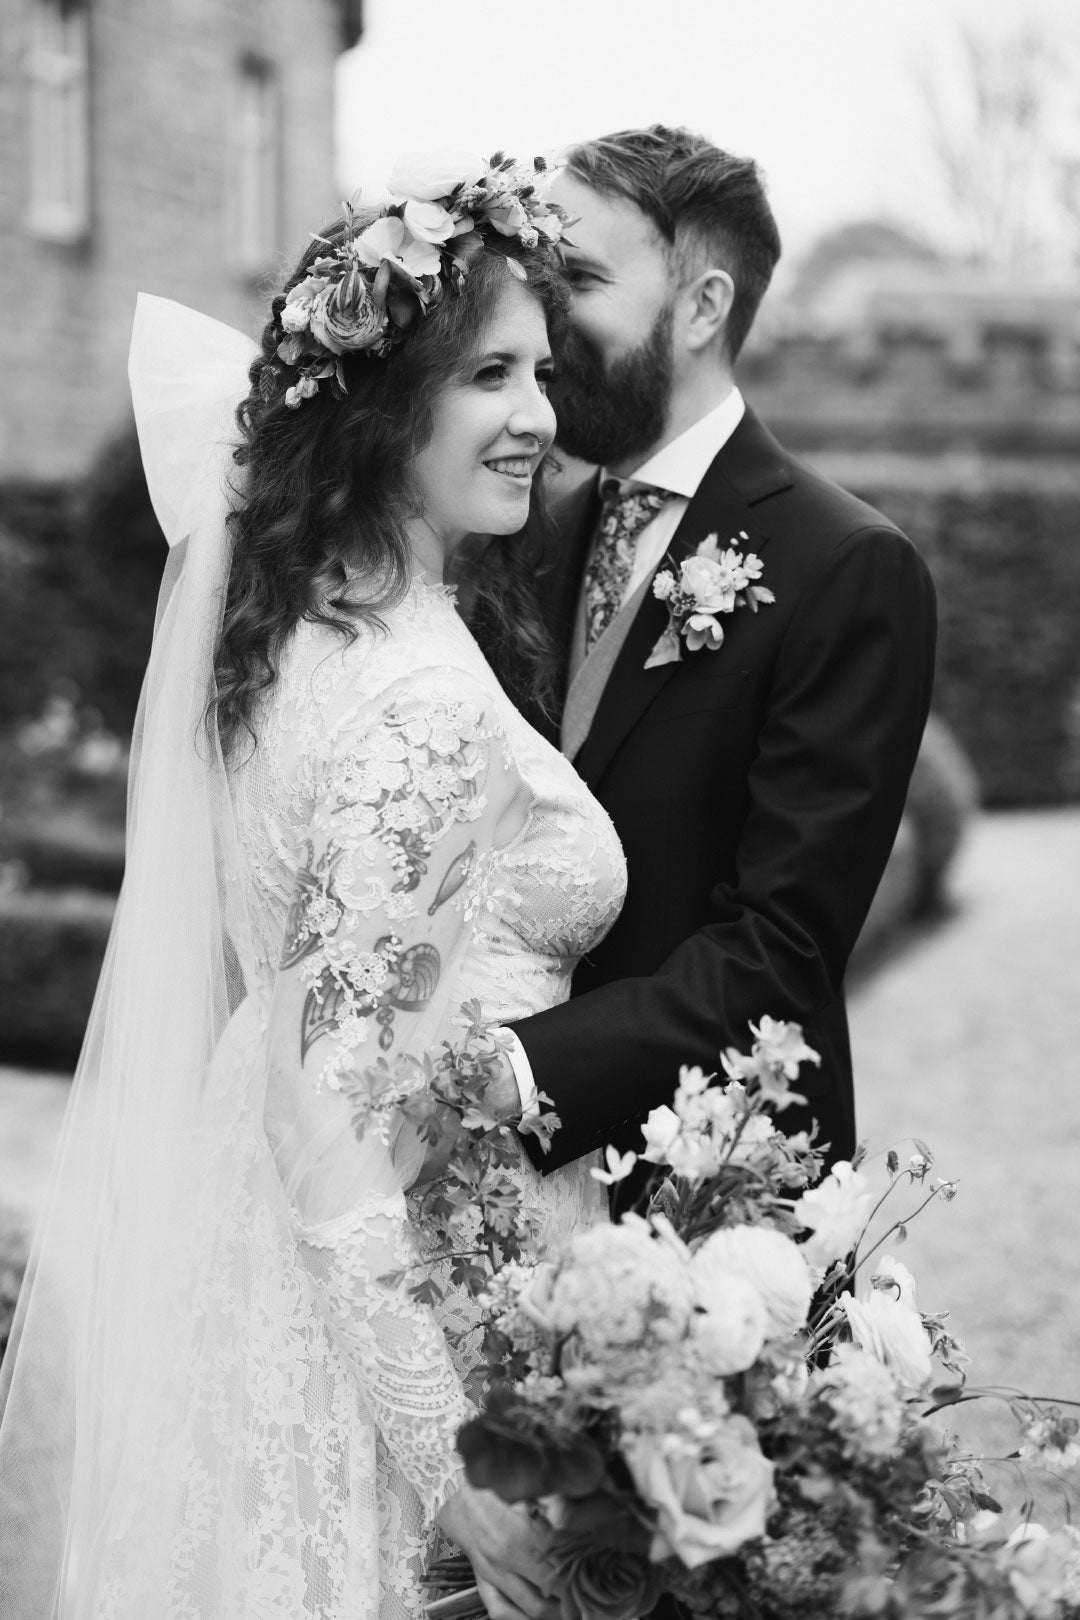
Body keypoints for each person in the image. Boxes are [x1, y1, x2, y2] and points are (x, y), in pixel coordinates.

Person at [0, 154, 623, 1620]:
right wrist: (449, 1460)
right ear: (382, 405)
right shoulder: (411, 700)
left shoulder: (308, 627)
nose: (537, 414)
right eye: (488, 374)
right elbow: (330, 1115)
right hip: (382, 1304)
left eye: (540, 371)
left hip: (263, 1261)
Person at [489, 125, 937, 1190]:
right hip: (501, 1199)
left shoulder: (849, 568)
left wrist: (513, 1072)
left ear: (702, 307)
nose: (543, 317)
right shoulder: (520, 527)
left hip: (713, 1191)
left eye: (581, 279)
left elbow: (781, 946)